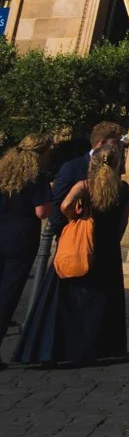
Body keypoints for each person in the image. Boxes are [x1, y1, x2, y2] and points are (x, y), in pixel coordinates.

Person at [15, 137, 129, 366]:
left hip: (81, 244)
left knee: (67, 299)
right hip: (106, 247)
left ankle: (56, 349)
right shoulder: (122, 188)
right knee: (100, 301)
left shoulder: (84, 185)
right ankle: (93, 349)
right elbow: (123, 221)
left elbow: (65, 205)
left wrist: (74, 219)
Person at [0, 136, 43, 362]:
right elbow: (41, 211)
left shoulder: (2, 174)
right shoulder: (35, 178)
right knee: (8, 292)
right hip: (21, 238)